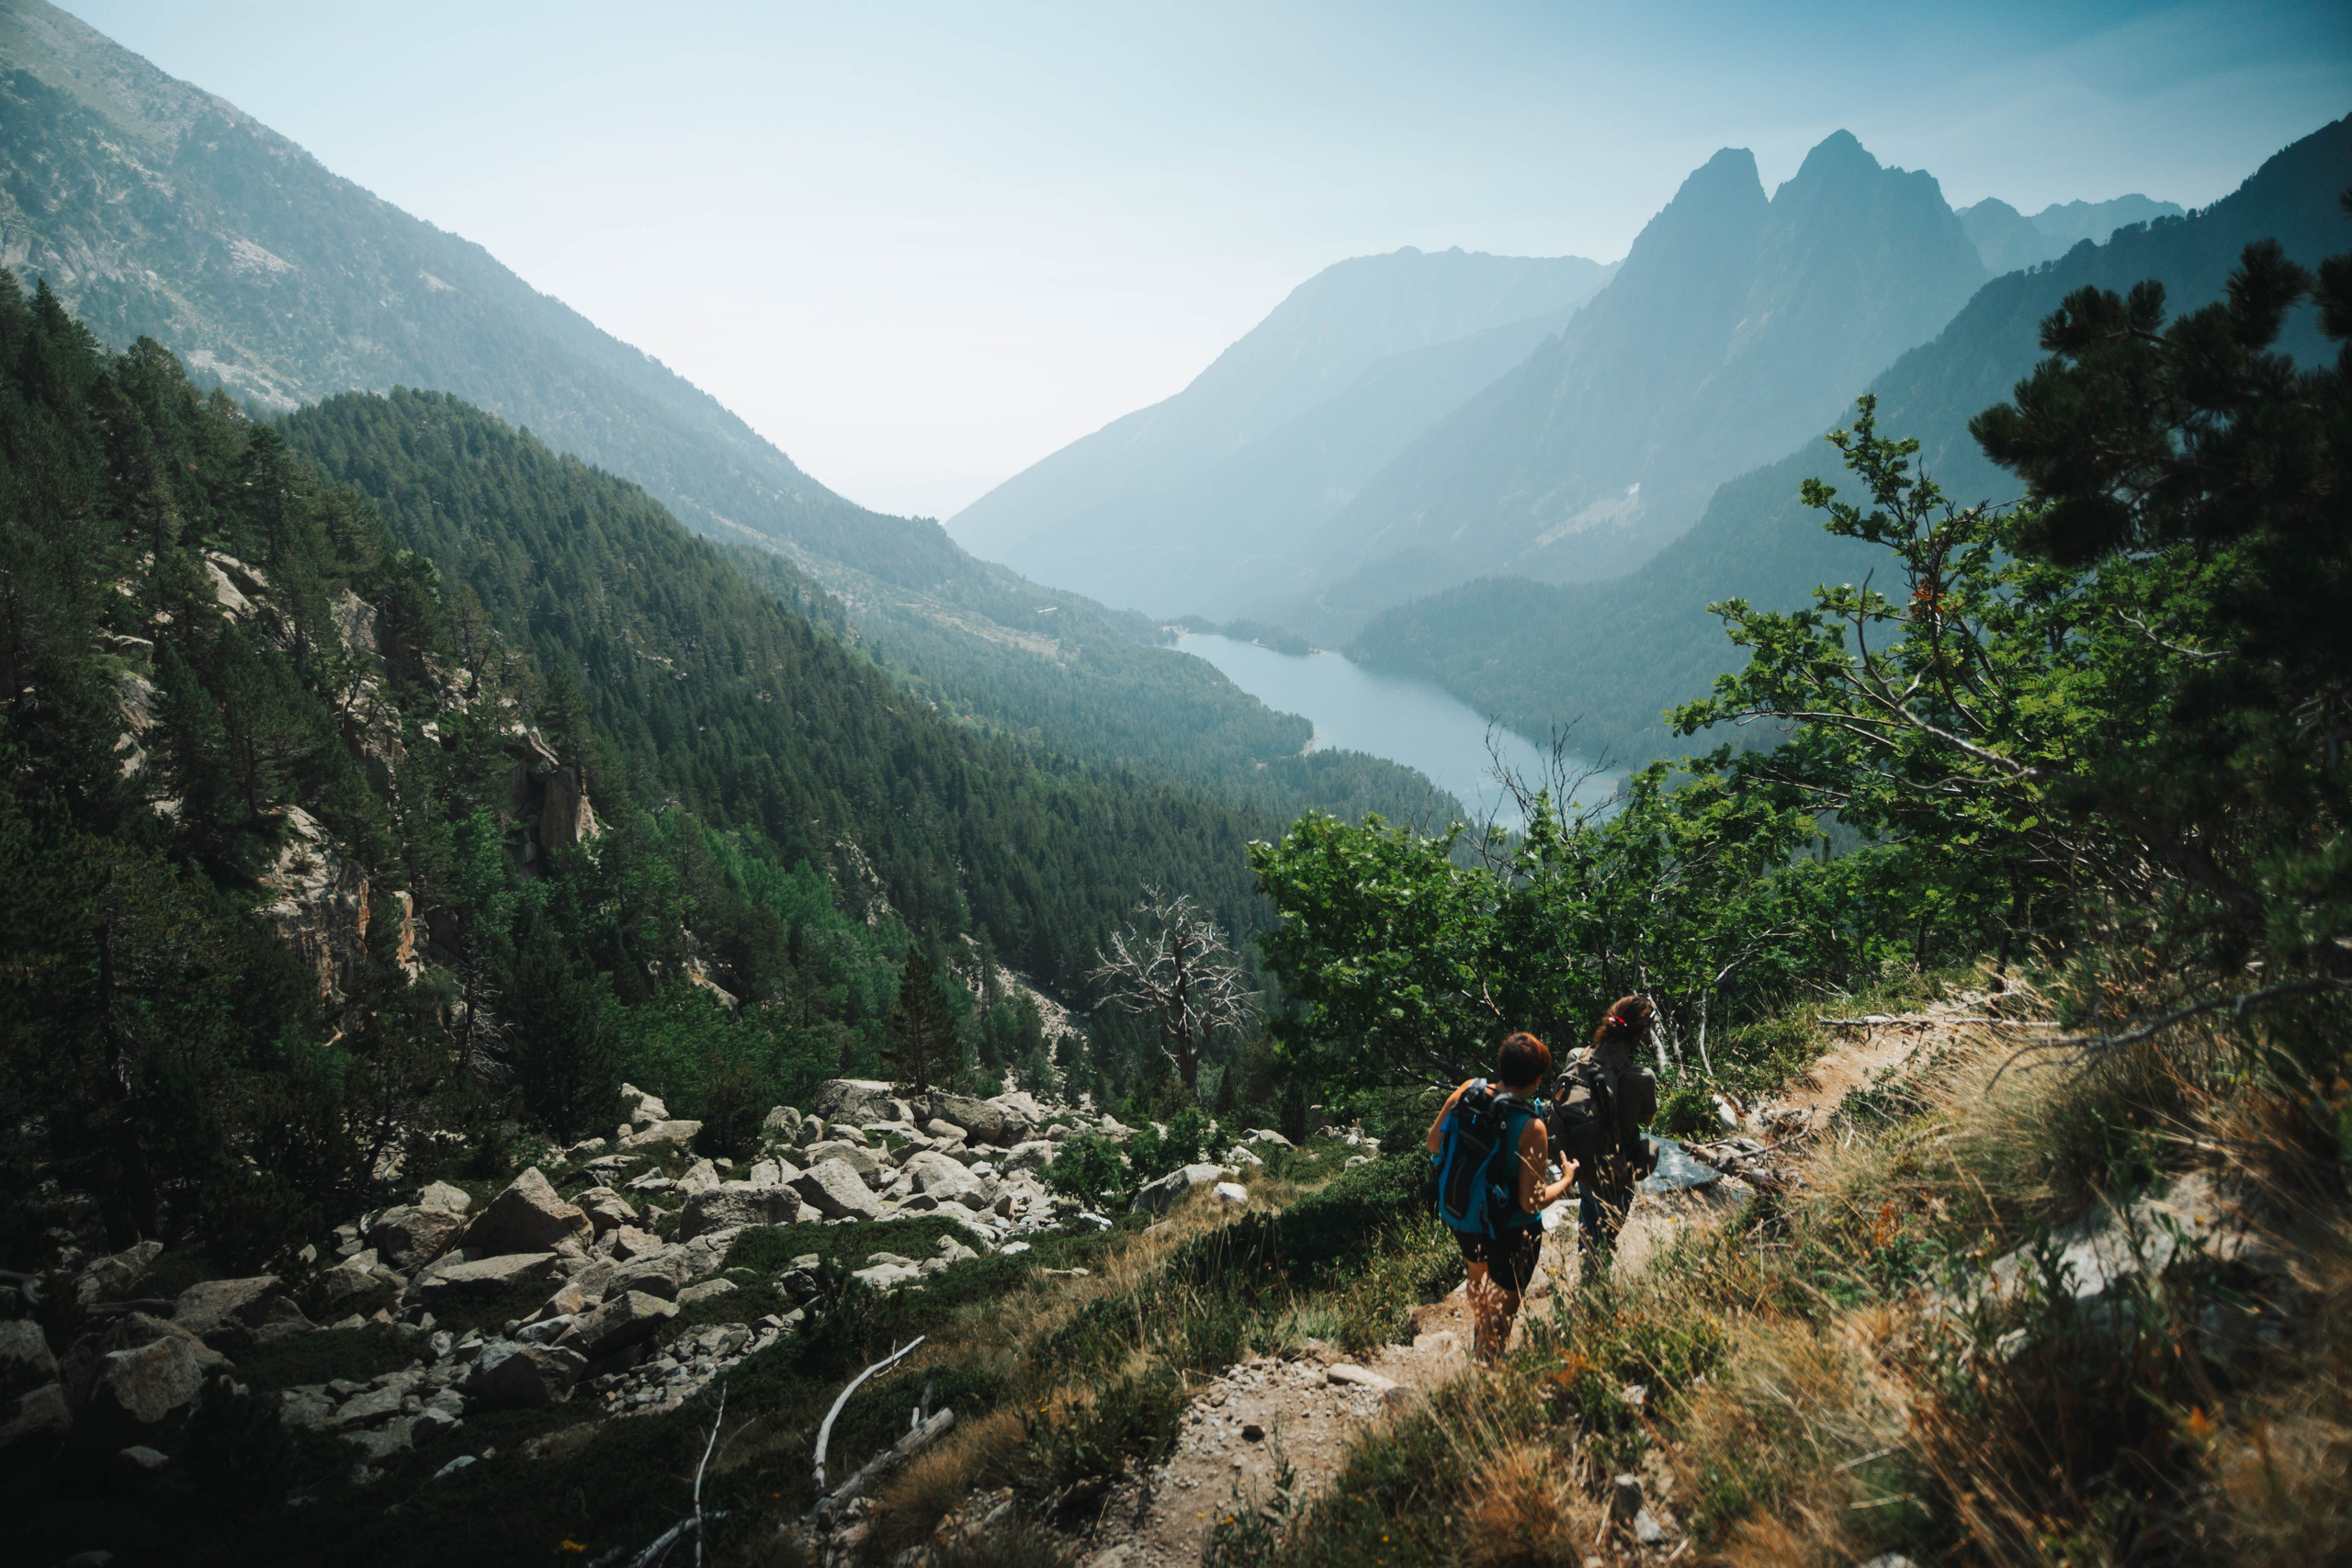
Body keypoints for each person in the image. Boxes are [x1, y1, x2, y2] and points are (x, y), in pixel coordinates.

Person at [1426, 1031, 1577, 1361]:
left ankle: (1480, 1337)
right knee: (1503, 1308)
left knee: (1477, 1277)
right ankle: (1487, 1369)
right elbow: (1531, 1201)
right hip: (1510, 1229)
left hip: (1464, 1212)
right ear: (1537, 1079)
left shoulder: (1467, 1091)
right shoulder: (1530, 1126)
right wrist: (1566, 1180)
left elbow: (1433, 1143)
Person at [1549, 995, 1661, 1274]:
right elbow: (1646, 1118)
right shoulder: (1642, 1076)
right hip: (1615, 1166)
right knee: (1606, 1233)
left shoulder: (1576, 1056)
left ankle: (1588, 1269)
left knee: (1588, 1208)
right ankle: (1596, 1290)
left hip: (1579, 1158)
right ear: (1641, 1033)